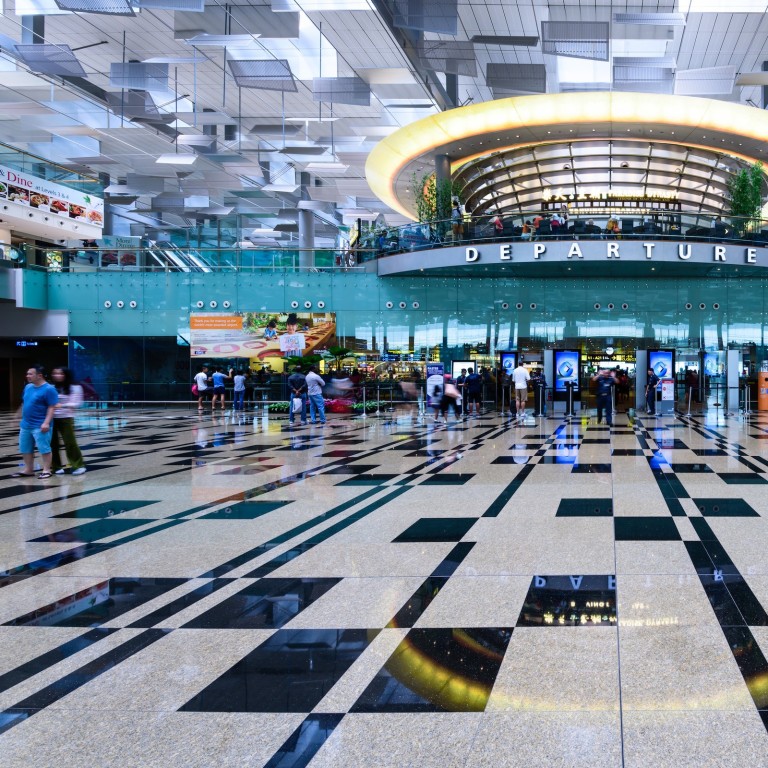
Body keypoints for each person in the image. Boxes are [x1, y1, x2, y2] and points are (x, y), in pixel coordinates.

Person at [13, 365, 58, 479]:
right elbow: (24, 402)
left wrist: (46, 422)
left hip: (40, 424)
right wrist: (18, 414)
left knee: (44, 448)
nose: (27, 376)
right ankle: (28, 469)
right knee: (25, 447)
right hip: (26, 424)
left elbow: (52, 407)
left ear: (39, 376)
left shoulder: (49, 389)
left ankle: (46, 470)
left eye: (30, 374)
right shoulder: (28, 387)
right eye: (27, 374)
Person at [50, 367, 86, 475]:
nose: (57, 375)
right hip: (52, 418)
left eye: (60, 373)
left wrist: (62, 405)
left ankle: (78, 465)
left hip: (66, 418)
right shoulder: (51, 387)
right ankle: (56, 466)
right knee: (52, 444)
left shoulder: (75, 387)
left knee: (70, 442)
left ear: (66, 375)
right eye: (55, 373)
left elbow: (78, 403)